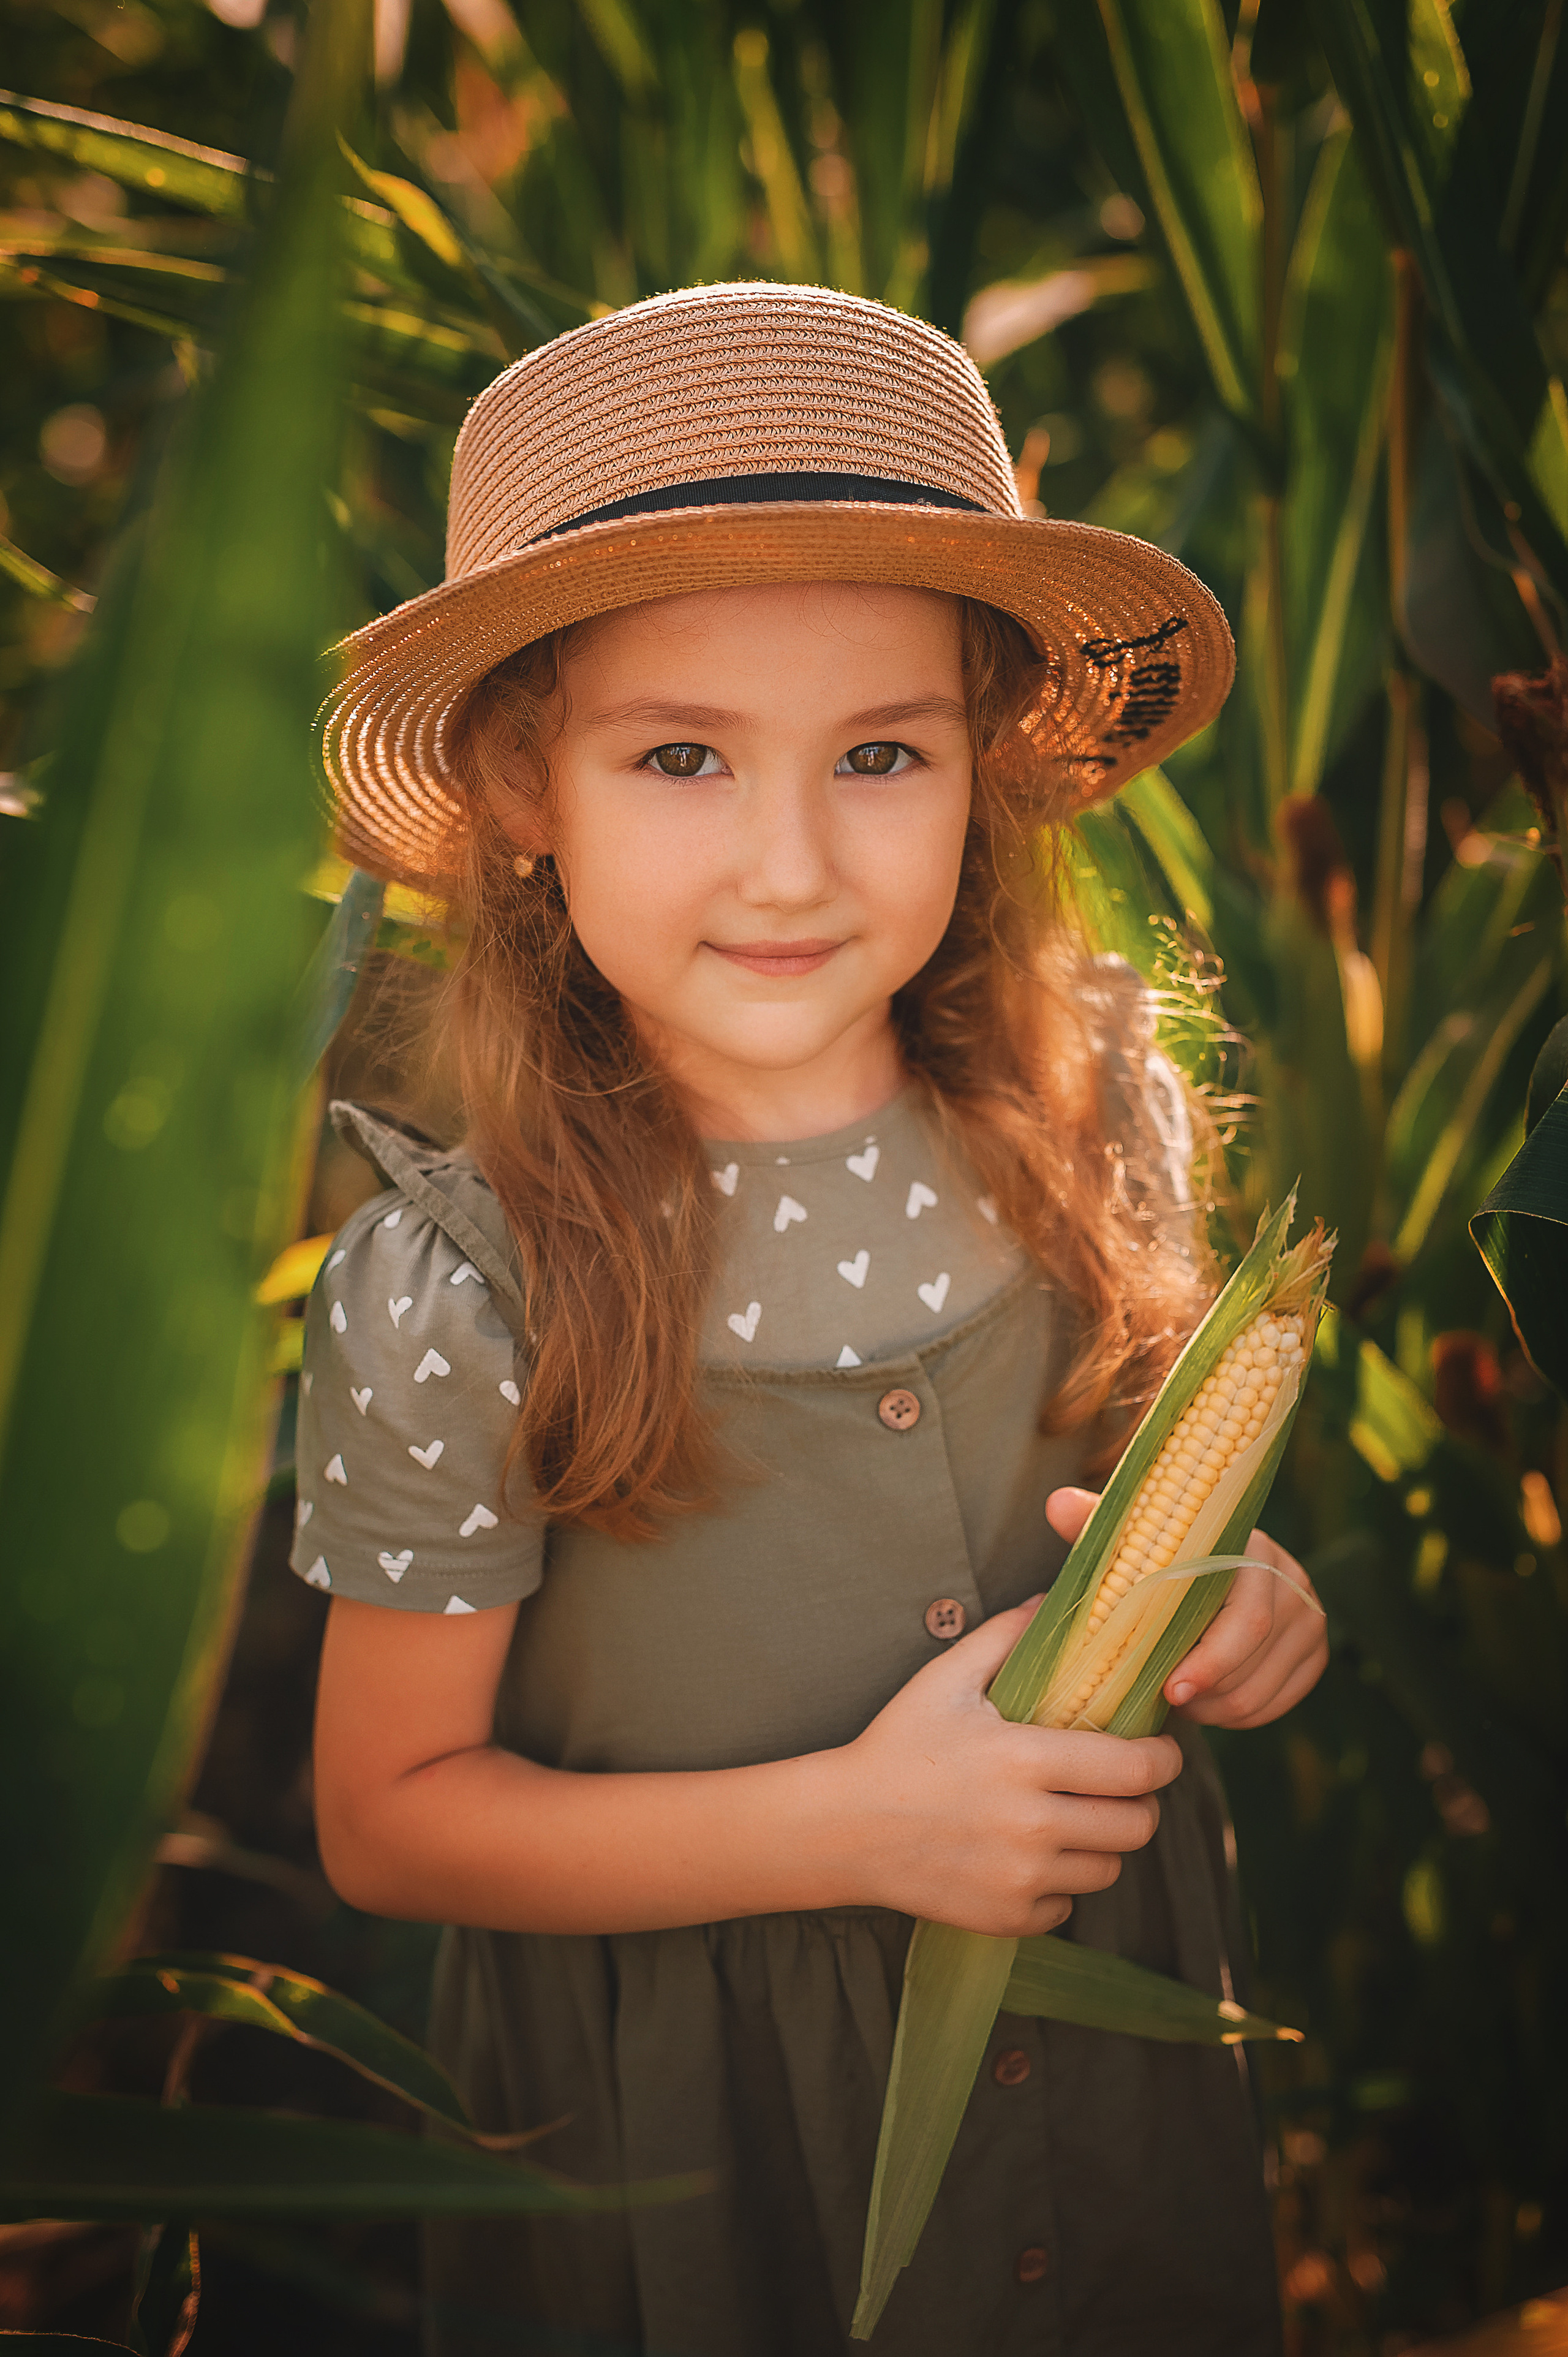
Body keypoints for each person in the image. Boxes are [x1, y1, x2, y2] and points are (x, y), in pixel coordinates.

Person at [295, 283, 1327, 2357]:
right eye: (680, 755)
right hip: (706, 2175)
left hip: (1103, 2077)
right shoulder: (462, 1289)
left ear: (985, 770)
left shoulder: (1085, 1123)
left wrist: (1241, 1603)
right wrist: (853, 1827)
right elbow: (388, 1822)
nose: (791, 859)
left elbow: (1137, 1517)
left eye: (879, 753)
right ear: (524, 784)